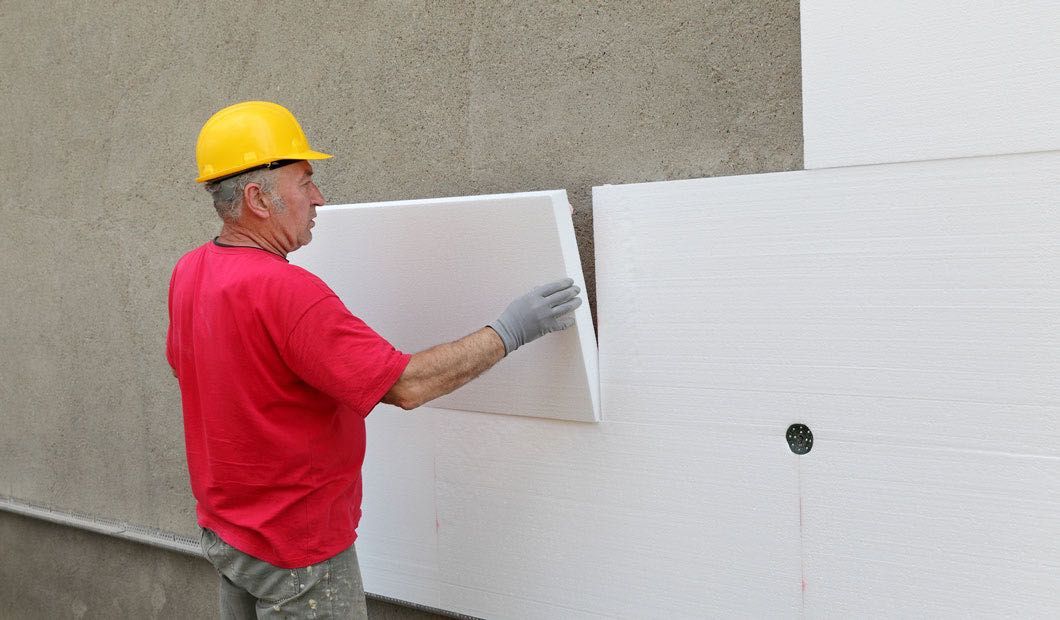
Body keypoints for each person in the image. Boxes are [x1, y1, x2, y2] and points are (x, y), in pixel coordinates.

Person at [166, 101, 582, 619]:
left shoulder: (191, 271)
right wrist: (510, 330)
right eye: (305, 181)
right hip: (298, 554)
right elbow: (404, 385)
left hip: (230, 535)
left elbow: (207, 375)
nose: (318, 198)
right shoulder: (287, 292)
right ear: (258, 198)